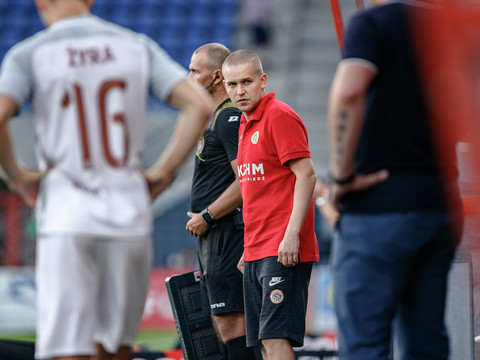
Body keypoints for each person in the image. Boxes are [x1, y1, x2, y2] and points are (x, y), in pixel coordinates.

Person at [0, 0, 213, 359]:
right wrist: (163, 172)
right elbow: (200, 106)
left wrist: (18, 175)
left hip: (67, 215)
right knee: (115, 347)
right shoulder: (134, 45)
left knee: (68, 348)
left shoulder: (31, 52)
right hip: (128, 213)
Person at [327, 1, 463, 359]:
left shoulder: (373, 23)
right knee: (427, 342)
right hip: (440, 206)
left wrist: (341, 177)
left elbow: (348, 91)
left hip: (379, 207)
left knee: (364, 345)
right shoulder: (449, 29)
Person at [222, 50, 319, 360]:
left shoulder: (279, 115)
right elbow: (256, 191)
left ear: (262, 81)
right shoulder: (244, 124)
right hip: (256, 249)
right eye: (232, 84)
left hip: (283, 249)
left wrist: (292, 235)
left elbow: (307, 174)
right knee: (264, 343)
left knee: (276, 338)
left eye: (247, 82)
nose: (239, 91)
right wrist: (248, 248)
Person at [185, 43, 260, 360]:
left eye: (194, 71)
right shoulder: (216, 117)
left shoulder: (229, 118)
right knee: (222, 326)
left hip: (225, 232)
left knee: (233, 326)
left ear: (216, 76)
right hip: (214, 234)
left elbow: (247, 181)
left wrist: (208, 215)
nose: (188, 77)